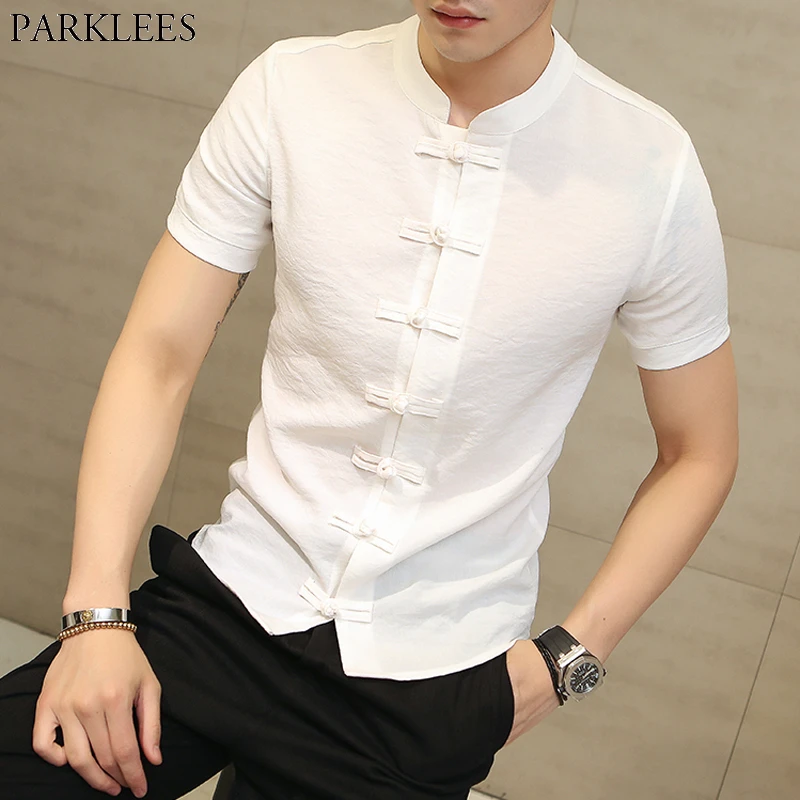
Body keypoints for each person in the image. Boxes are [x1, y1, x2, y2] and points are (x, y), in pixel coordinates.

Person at [0, 1, 739, 798]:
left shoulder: (650, 166)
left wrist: (567, 659)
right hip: (231, 604)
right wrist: (95, 616)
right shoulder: (292, 87)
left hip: (428, 690)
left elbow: (698, 453)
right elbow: (159, 354)